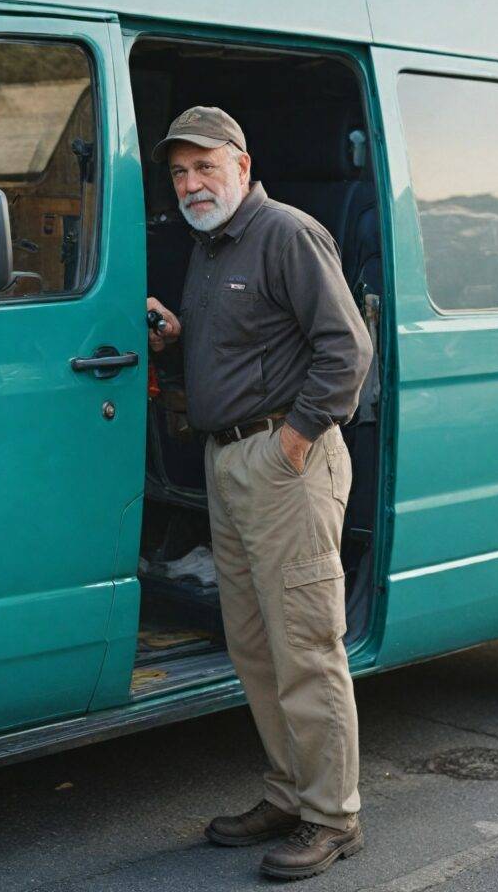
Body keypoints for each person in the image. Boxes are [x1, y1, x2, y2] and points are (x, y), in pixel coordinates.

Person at [147, 106, 373, 881]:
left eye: (206, 166)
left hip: (285, 464)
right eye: (180, 171)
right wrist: (180, 338)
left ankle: (333, 817)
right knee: (253, 644)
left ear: (242, 165)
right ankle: (287, 793)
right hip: (229, 462)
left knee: (307, 647)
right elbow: (250, 341)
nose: (192, 183)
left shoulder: (286, 232)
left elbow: (347, 348)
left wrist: (295, 439)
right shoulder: (211, 247)